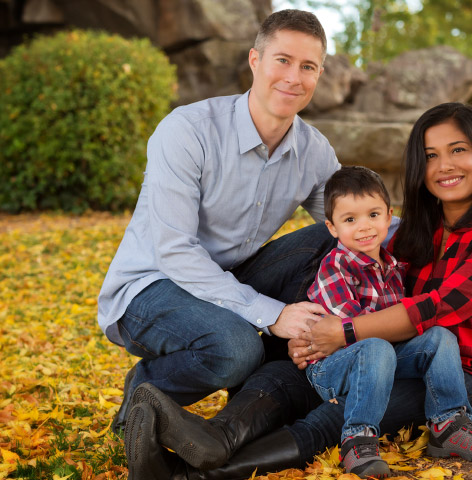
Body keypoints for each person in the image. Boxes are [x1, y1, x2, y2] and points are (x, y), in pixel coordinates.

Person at [127, 102, 472, 480]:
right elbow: (359, 283)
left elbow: (439, 308)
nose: (444, 166)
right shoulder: (418, 229)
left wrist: (341, 333)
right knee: (288, 375)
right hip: (393, 352)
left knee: (338, 414)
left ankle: (186, 476)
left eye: (458, 150)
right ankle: (214, 438)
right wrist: (311, 341)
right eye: (431, 156)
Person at [96, 9, 343, 478]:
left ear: (320, 74)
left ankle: (263, 397)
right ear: (254, 60)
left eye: (308, 66)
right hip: (151, 286)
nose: (294, 78)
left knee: (327, 241)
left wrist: (447, 236)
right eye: (283, 61)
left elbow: (359, 223)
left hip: (229, 280)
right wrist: (271, 313)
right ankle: (141, 398)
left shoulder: (314, 151)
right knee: (235, 348)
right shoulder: (188, 130)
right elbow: (174, 250)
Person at [305, 166, 472, 477]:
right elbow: (354, 332)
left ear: (389, 216)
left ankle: (448, 426)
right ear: (332, 227)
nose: (364, 227)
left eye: (373, 215)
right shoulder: (337, 267)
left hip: (382, 355)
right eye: (350, 220)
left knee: (439, 337)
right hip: (333, 366)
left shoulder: (392, 266)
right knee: (374, 346)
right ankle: (357, 439)